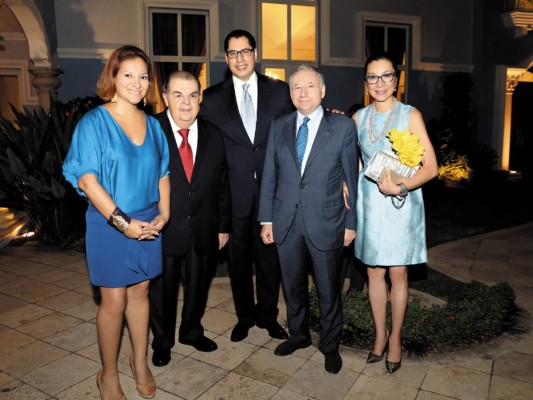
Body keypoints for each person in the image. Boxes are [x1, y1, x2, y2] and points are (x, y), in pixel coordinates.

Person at [63, 45, 170, 399]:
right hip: (110, 222)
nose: (138, 83)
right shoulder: (94, 122)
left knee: (141, 293)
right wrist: (123, 223)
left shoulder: (154, 125)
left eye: (143, 76)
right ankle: (108, 373)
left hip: (148, 221)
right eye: (129, 75)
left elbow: (163, 174)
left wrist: (165, 214)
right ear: (113, 76)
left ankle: (139, 363)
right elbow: (87, 181)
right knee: (113, 301)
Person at [258, 65, 359, 374]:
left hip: (327, 221)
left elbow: (351, 180)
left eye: (309, 86)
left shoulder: (342, 127)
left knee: (329, 290)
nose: (302, 93)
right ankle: (298, 336)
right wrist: (266, 220)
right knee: (292, 287)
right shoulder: (279, 125)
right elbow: (270, 175)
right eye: (296, 88)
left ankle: (330, 345)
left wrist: (351, 223)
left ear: (323, 91)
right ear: (290, 93)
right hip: (285, 220)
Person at [199, 29, 294, 342]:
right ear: (226, 58)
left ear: (255, 53)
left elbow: (299, 127)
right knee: (238, 261)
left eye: (245, 51)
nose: (239, 58)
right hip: (233, 195)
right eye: (232, 53)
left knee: (270, 258)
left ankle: (268, 316)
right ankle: (245, 317)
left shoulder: (280, 92)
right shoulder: (212, 99)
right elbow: (208, 150)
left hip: (272, 193)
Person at [353, 51, 438, 373]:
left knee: (398, 273)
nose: (380, 83)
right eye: (373, 77)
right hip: (370, 205)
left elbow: (431, 168)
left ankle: (396, 339)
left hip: (401, 204)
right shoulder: (358, 118)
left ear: (397, 79)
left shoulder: (410, 114)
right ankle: (380, 335)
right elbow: (355, 162)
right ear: (366, 82)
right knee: (373, 272)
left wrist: (401, 187)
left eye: (386, 75)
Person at [149, 71, 231, 366]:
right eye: (178, 95)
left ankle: (191, 331)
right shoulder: (150, 130)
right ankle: (162, 340)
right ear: (165, 97)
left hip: (203, 226)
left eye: (193, 95)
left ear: (200, 99)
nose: (186, 103)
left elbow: (223, 183)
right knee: (162, 290)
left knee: (199, 286)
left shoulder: (214, 134)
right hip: (162, 227)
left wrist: (223, 225)